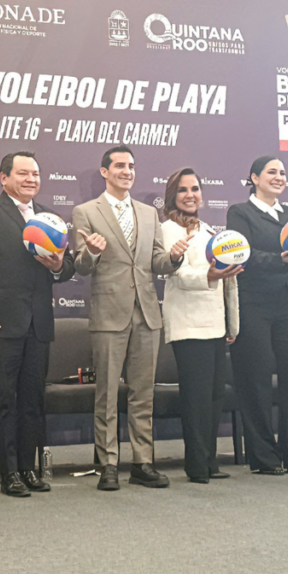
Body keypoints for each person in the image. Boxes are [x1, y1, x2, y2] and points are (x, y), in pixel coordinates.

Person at [0, 151, 76, 497]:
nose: (31, 180)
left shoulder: (49, 218)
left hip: (38, 324)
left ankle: (29, 468)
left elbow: (65, 268)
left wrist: (57, 266)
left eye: (36, 174)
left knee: (32, 400)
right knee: (2, 399)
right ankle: (7, 471)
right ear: (3, 177)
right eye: (23, 173)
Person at [71, 145, 188, 491]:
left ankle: (142, 461)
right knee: (106, 393)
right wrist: (91, 251)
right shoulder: (85, 212)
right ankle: (107, 464)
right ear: (104, 172)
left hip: (147, 313)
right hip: (109, 314)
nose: (127, 171)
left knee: (143, 393)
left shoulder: (148, 214)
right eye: (119, 165)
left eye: (131, 166)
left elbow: (156, 262)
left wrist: (175, 257)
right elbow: (80, 265)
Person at [227, 156, 288, 475]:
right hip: (253, 303)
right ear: (254, 177)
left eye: (282, 173)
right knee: (256, 379)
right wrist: (279, 260)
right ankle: (264, 457)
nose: (279, 177)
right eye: (271, 172)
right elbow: (242, 253)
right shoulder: (240, 212)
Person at [160, 168, 240, 483]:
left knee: (214, 395)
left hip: (215, 323)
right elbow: (175, 273)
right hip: (189, 324)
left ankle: (209, 461)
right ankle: (195, 464)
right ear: (173, 196)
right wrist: (210, 275)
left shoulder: (207, 229)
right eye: (183, 190)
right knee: (195, 398)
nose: (190, 194)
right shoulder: (168, 228)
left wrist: (231, 323)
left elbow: (228, 280)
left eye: (195, 188)